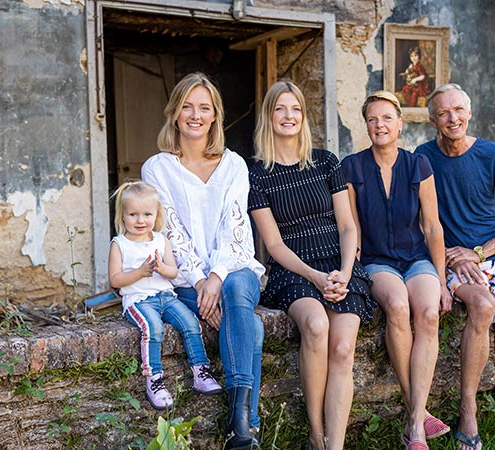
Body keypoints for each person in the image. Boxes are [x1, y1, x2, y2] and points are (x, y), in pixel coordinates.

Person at [248, 80, 375, 450]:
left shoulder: (326, 161)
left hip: (339, 265)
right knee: (317, 326)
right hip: (294, 270)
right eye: (280, 109)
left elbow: (348, 226)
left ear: (303, 116)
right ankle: (316, 435)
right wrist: (315, 277)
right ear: (269, 116)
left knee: (343, 349)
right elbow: (273, 244)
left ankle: (335, 446)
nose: (288, 116)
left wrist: (346, 273)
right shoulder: (256, 173)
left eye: (296, 109)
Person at [141, 72, 265, 450]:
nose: (195, 115)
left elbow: (235, 227)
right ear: (174, 113)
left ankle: (238, 422)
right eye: (187, 107)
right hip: (185, 280)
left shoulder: (234, 165)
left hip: (234, 269)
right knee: (252, 329)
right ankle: (245, 428)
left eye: (204, 108)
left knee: (236, 290)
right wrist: (199, 281)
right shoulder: (157, 168)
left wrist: (216, 277)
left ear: (215, 116)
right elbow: (171, 232)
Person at [416, 83, 495, 450]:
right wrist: (449, 255)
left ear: (469, 113)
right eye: (443, 113)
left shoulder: (491, 153)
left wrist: (480, 253)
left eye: (458, 110)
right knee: (482, 306)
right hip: (453, 259)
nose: (452, 118)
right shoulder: (423, 157)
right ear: (433, 121)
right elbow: (420, 220)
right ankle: (468, 409)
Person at [341, 90, 452, 450]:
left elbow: (432, 227)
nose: (380, 125)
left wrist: (442, 281)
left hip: (416, 258)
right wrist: (352, 271)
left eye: (387, 118)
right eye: (372, 119)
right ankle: (418, 421)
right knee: (398, 305)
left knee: (429, 312)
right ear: (366, 125)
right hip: (377, 261)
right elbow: (352, 228)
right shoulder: (352, 167)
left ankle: (414, 419)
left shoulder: (418, 165)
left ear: (400, 123)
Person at [107, 181, 223, 411]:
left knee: (191, 323)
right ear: (122, 215)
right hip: (138, 301)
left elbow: (174, 272)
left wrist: (161, 268)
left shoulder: (161, 240)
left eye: (147, 214)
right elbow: (115, 280)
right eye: (133, 214)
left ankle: (201, 372)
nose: (140, 220)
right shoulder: (119, 244)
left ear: (156, 214)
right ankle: (155, 380)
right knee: (153, 329)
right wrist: (139, 272)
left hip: (166, 296)